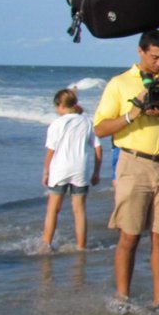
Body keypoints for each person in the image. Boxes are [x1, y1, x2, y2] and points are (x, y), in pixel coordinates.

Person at [92, 30, 159, 311]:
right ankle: (122, 297)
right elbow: (99, 128)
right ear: (140, 51)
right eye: (154, 57)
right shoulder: (120, 84)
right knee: (130, 235)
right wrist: (132, 112)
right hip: (132, 163)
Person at [41, 88, 102, 251]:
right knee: (79, 210)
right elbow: (97, 147)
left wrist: (46, 171)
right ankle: (81, 246)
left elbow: (50, 151)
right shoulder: (87, 122)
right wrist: (96, 171)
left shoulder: (57, 124)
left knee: (53, 209)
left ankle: (46, 243)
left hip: (60, 169)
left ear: (60, 105)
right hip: (80, 169)